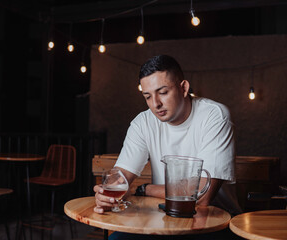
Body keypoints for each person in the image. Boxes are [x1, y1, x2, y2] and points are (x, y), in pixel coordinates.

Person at [93, 55, 242, 240]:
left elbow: (200, 197)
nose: (155, 104)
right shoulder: (143, 123)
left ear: (184, 88)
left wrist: (144, 189)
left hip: (215, 223)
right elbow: (120, 175)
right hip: (164, 218)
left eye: (163, 92)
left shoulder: (214, 116)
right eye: (147, 96)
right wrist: (107, 193)